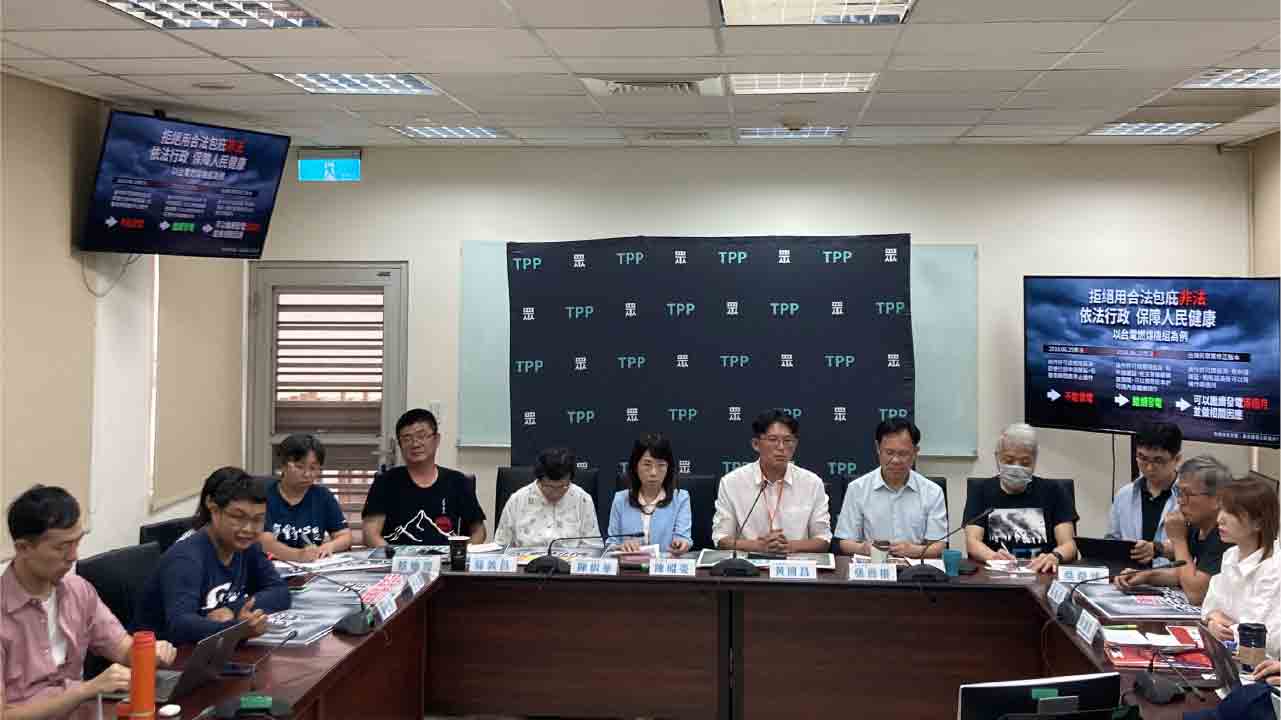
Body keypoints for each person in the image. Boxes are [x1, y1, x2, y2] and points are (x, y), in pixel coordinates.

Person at [1, 485, 176, 720]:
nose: (73, 556)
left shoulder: (77, 590)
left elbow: (122, 648)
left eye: (77, 542)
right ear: (23, 548)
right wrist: (86, 690)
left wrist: (149, 653)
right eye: (62, 547)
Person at [136, 469, 290, 645]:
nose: (248, 529)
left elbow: (280, 593)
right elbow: (180, 625)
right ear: (214, 510)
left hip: (211, 648)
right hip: (163, 653)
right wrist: (237, 629)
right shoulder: (186, 558)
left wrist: (232, 610)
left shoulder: (248, 546)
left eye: (257, 520)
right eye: (238, 517)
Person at [1115, 455, 1234, 605]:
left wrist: (1178, 540)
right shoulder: (1198, 526)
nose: (1180, 501)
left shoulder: (1226, 533)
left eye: (1188, 494)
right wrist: (1146, 576)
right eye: (1179, 492)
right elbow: (1183, 574)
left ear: (1218, 499)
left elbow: (1195, 594)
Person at [712, 409, 831, 554]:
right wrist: (758, 546)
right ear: (756, 444)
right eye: (773, 440)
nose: (781, 447)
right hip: (748, 564)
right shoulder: (732, 483)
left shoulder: (812, 483)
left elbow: (823, 540)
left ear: (795, 444)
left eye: (788, 440)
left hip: (796, 563)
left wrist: (789, 546)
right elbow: (721, 538)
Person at [964, 423, 1078, 574]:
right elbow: (972, 542)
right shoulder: (981, 491)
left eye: (1025, 463)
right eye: (1009, 460)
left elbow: (1069, 544)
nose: (1016, 467)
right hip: (995, 573)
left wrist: (1054, 556)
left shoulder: (1054, 491)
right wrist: (993, 557)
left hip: (1042, 572)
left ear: (1034, 461)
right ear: (997, 457)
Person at [361, 408, 486, 546]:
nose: (415, 444)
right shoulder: (385, 482)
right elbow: (370, 535)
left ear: (436, 439)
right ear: (400, 445)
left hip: (448, 559)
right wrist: (393, 556)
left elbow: (479, 532)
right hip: (396, 558)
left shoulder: (458, 481)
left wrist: (461, 553)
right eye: (407, 438)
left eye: (421, 436)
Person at [835, 419, 948, 558]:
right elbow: (845, 542)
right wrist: (863, 548)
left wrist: (914, 550)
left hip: (915, 567)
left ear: (915, 452)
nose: (895, 460)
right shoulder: (858, 488)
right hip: (873, 566)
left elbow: (939, 546)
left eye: (903, 454)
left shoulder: (932, 492)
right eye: (889, 452)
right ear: (878, 448)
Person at [1201, 476, 1280, 642]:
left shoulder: (1274, 567)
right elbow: (1210, 607)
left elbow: (1262, 634)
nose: (1219, 519)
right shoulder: (1231, 555)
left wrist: (1223, 626)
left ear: (1258, 523)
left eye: (1231, 513)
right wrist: (1213, 620)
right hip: (1227, 650)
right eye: (1221, 509)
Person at [259, 434, 352, 562]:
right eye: (299, 466)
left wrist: (329, 546)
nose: (307, 474)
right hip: (269, 567)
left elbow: (345, 536)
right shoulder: (263, 494)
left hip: (311, 566)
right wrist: (298, 555)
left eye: (313, 468)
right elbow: (265, 543)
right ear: (283, 465)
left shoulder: (323, 496)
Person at [1106, 422, 1183, 566]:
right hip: (1128, 575)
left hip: (1172, 578)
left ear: (1177, 459)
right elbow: (1112, 541)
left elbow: (1193, 549)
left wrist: (1158, 549)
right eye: (1142, 458)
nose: (1149, 467)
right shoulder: (1124, 495)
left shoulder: (1189, 497)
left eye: (1158, 460)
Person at [495, 447, 602, 548]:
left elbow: (593, 547)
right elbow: (501, 545)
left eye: (562, 487)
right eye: (549, 487)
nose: (555, 493)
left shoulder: (583, 500)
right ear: (539, 480)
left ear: (570, 479)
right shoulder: (517, 500)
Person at [607, 433, 693, 555]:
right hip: (630, 566)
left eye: (661, 465)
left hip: (665, 565)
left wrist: (681, 544)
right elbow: (611, 544)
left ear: (668, 468)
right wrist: (621, 546)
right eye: (647, 464)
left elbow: (683, 538)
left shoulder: (680, 498)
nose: (653, 472)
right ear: (635, 466)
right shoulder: (620, 499)